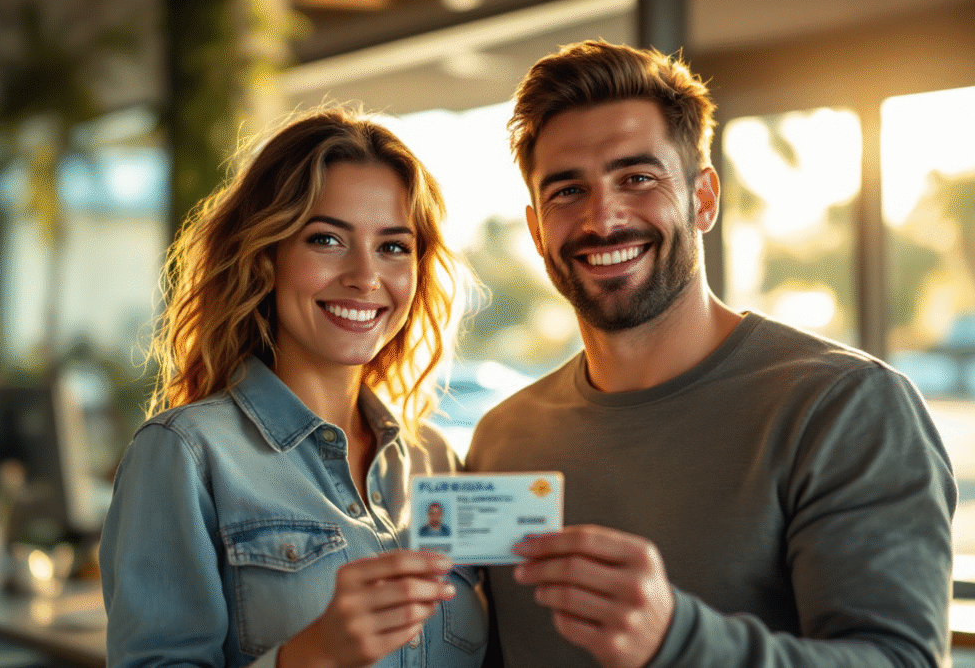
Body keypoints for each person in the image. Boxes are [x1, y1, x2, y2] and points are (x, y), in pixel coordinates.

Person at [466, 40, 956, 668]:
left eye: (637, 178)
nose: (603, 218)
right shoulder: (503, 439)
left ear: (702, 198)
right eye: (567, 191)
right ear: (536, 229)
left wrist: (678, 640)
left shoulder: (845, 408)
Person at [99, 107, 488, 668]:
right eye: (327, 239)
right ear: (266, 258)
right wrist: (308, 657)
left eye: (394, 246)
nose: (365, 276)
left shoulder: (435, 459)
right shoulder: (185, 454)